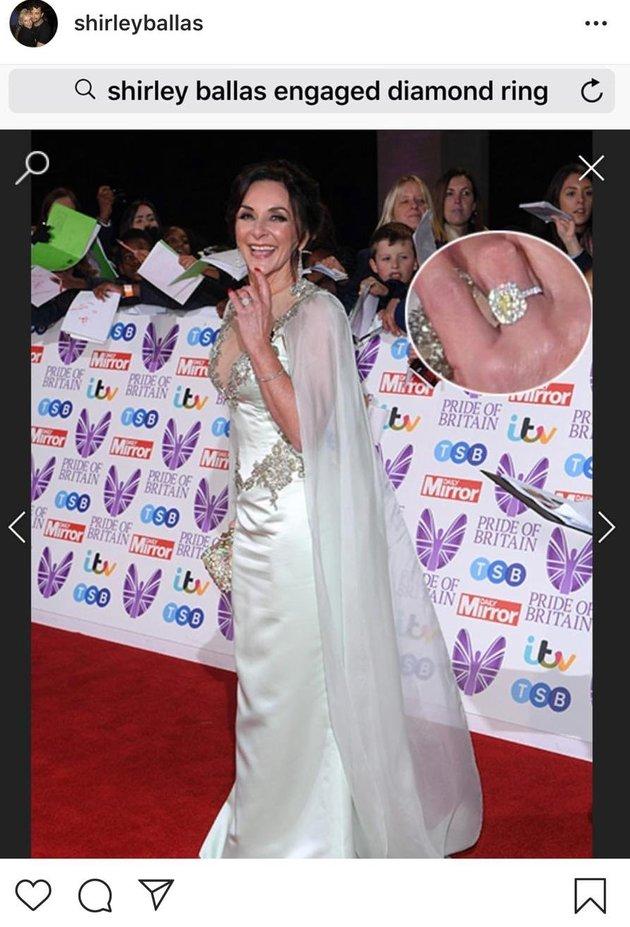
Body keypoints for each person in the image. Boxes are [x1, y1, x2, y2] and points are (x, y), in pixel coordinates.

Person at [199, 159, 482, 859]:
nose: (258, 231)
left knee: (295, 690)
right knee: (266, 693)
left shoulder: (317, 312)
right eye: (247, 216)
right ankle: (268, 820)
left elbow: (307, 431)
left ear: (302, 232)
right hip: (259, 529)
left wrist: (262, 346)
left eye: (276, 217)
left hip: (301, 532)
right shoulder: (237, 304)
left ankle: (309, 843)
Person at [339, 174, 433, 312]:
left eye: (421, 201)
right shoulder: (368, 257)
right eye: (405, 201)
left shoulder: (440, 254)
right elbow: (349, 307)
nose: (414, 206)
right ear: (392, 210)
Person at [357, 221, 418, 336]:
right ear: (374, 265)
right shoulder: (370, 292)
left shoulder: (423, 294)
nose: (395, 265)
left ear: (416, 262)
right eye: (386, 259)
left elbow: (398, 287)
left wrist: (389, 293)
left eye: (403, 257)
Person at [545, 163, 593, 275]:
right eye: (571, 193)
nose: (581, 200)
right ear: (557, 199)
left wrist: (572, 243)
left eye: (589, 193)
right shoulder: (541, 243)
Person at [433, 168, 484, 245]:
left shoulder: (487, 240)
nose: (457, 201)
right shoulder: (428, 245)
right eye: (450, 194)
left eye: (465, 193)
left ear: (474, 204)